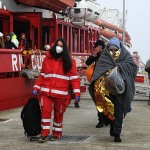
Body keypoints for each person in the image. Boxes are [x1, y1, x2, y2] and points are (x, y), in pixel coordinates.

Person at [89, 37, 137, 142]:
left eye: (116, 50)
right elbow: (98, 72)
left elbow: (133, 68)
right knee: (108, 110)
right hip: (106, 90)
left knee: (119, 111)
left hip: (121, 90)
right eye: (111, 50)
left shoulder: (126, 56)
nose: (113, 52)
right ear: (108, 49)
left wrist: (120, 67)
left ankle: (117, 133)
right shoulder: (104, 57)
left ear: (120, 49)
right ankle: (112, 125)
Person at [33, 38, 80, 143]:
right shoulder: (47, 59)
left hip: (61, 93)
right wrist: (36, 87)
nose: (59, 47)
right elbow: (42, 75)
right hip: (46, 91)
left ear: (65, 48)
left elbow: (74, 78)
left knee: (59, 113)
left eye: (61, 46)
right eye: (58, 45)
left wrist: (77, 92)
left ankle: (57, 133)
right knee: (45, 112)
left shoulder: (70, 61)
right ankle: (44, 134)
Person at [85, 39, 105, 128]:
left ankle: (108, 118)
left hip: (106, 81)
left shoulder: (106, 55)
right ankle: (100, 120)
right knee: (98, 101)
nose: (99, 49)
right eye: (98, 47)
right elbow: (88, 62)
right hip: (97, 81)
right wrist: (94, 53)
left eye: (101, 47)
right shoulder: (95, 56)